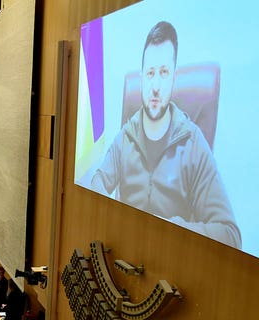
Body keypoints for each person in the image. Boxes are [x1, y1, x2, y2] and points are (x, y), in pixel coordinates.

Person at [89, 21, 241, 249]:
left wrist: (170, 228)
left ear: (173, 78)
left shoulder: (193, 143)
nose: (156, 85)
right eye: (150, 73)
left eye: (164, 72)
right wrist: (107, 209)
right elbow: (99, 180)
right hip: (124, 251)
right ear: (141, 78)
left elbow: (230, 235)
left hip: (171, 258)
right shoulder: (127, 135)